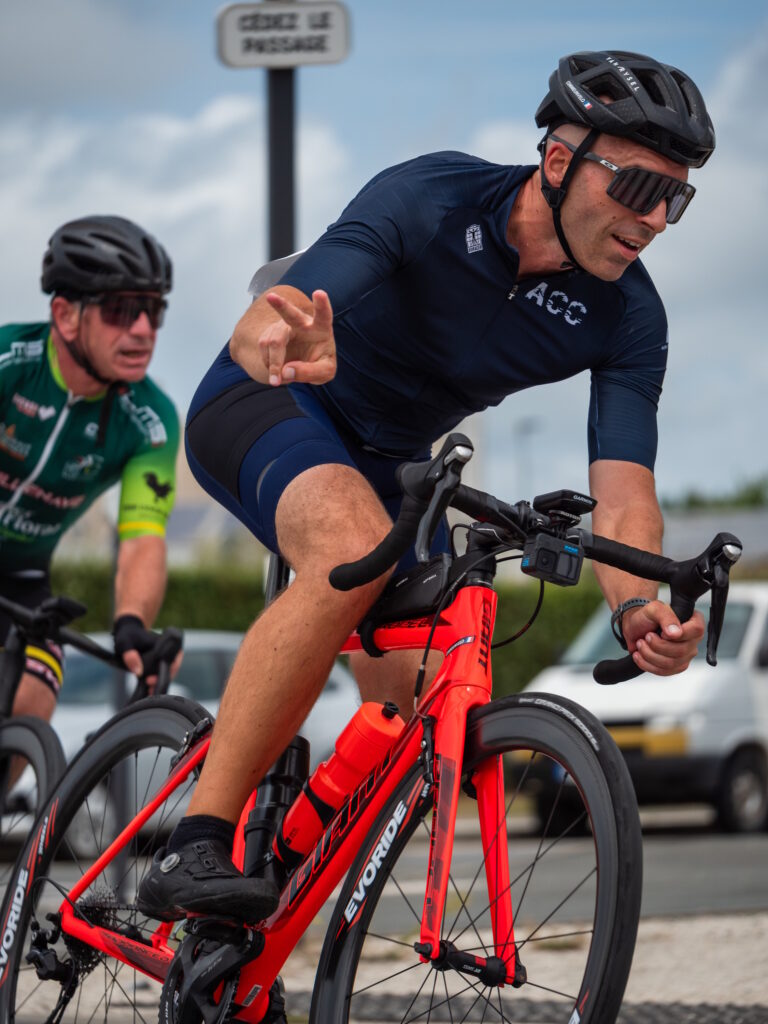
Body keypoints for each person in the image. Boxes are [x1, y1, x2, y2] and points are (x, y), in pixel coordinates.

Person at [138, 50, 715, 923]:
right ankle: (198, 839)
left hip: (396, 470)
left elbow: (626, 491)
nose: (658, 219)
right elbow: (282, 310)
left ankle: (262, 926)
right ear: (559, 161)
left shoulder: (631, 313)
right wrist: (276, 337)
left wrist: (639, 606)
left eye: (677, 199)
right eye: (640, 188)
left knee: (415, 706)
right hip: (273, 403)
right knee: (348, 548)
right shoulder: (434, 197)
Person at [0, 215, 180, 749]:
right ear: (65, 314)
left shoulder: (150, 419)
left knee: (36, 689)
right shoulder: (10, 362)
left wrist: (131, 621)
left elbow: (143, 536)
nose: (144, 330)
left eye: (153, 310)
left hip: (23, 577)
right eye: (123, 310)